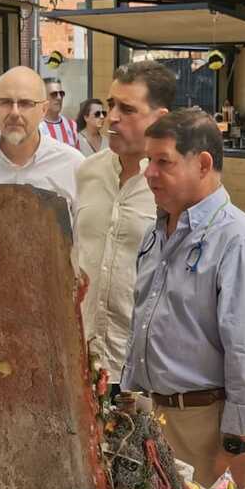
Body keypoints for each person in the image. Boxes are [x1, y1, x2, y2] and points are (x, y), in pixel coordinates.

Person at [120, 108, 245, 489]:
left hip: (207, 424)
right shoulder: (158, 230)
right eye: (147, 160)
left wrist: (234, 444)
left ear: (203, 163)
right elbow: (145, 318)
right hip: (154, 416)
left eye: (163, 162)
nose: (148, 172)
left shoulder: (240, 242)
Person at [75, 63, 173, 386]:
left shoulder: (179, 185)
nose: (112, 117)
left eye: (127, 109)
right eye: (111, 105)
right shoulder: (86, 172)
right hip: (83, 359)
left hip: (145, 371)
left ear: (160, 118)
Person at [0, 67, 85, 215]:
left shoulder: (73, 165)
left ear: (44, 110)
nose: (14, 112)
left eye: (25, 103)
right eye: (5, 102)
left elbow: (84, 234)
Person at [39, 76, 80, 149]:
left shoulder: (71, 125)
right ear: (43, 97)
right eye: (54, 94)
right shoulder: (36, 126)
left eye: (61, 93)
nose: (59, 98)